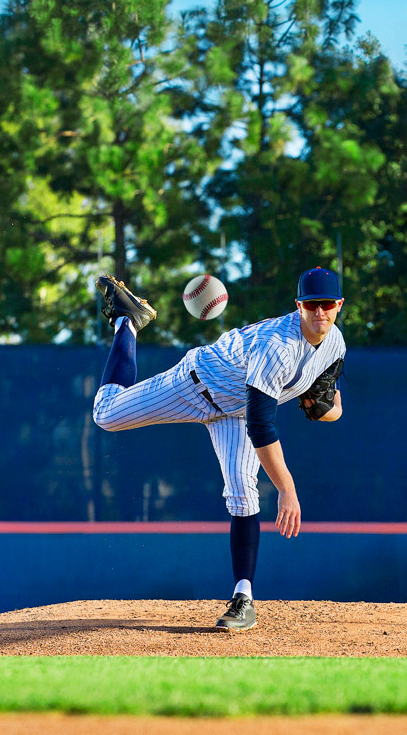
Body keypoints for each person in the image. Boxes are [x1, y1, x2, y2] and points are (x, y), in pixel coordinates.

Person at [91, 266, 346, 630]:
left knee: (244, 495)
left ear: (338, 305)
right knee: (105, 414)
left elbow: (324, 400)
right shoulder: (278, 346)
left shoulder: (335, 343)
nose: (319, 312)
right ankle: (127, 322)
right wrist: (287, 489)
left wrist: (329, 411)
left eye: (326, 304)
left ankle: (243, 599)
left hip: (236, 410)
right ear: (298, 305)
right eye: (310, 305)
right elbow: (261, 425)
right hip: (196, 385)